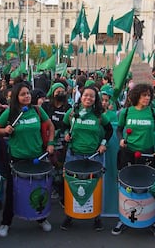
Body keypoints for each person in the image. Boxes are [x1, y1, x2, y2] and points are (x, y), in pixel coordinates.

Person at [0, 82, 55, 237]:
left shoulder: (37, 111)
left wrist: (51, 143)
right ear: (16, 97)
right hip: (17, 159)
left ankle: (41, 218)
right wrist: (4, 130)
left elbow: (50, 126)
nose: (26, 96)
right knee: (13, 191)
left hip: (37, 157)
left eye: (28, 93)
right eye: (23, 94)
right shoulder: (10, 113)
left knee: (39, 188)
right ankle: (6, 222)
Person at [112, 83, 155, 238]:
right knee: (126, 187)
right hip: (128, 154)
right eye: (144, 95)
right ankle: (123, 219)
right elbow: (118, 130)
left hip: (148, 155)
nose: (147, 98)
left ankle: (149, 220)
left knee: (148, 188)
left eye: (149, 95)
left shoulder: (153, 112)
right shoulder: (126, 112)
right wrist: (121, 140)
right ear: (136, 96)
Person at [60, 85, 113, 231]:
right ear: (80, 97)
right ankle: (69, 216)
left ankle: (96, 217)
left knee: (94, 186)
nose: (88, 98)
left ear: (95, 99)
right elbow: (63, 125)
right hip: (74, 154)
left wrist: (103, 144)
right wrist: (66, 134)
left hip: (94, 157)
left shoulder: (99, 115)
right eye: (85, 95)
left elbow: (109, 130)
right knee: (72, 185)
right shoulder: (72, 113)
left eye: (92, 96)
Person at [42, 82, 71, 204]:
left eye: (62, 91)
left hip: (62, 142)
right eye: (57, 91)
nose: (60, 93)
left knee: (61, 169)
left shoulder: (68, 107)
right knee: (49, 167)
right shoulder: (46, 106)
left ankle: (61, 193)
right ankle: (50, 189)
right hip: (48, 141)